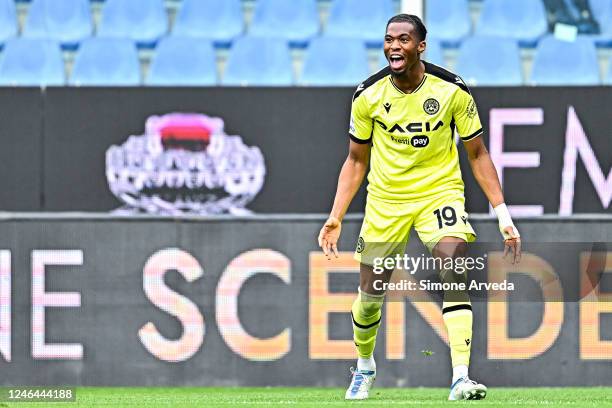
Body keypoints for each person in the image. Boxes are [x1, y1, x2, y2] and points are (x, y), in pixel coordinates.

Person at [317, 14, 521, 401]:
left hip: (438, 193)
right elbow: (356, 161)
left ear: (420, 46)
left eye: (404, 39)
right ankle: (364, 365)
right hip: (386, 200)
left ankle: (460, 376)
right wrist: (335, 216)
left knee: (453, 258)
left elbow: (477, 155)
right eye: (389, 39)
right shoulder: (368, 96)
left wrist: (503, 214)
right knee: (370, 293)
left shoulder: (452, 91)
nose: (394, 46)